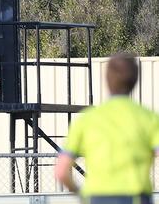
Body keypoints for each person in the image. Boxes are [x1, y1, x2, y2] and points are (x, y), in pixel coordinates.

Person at [55, 53, 159, 204]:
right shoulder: (150, 118)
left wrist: (80, 194)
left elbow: (61, 171)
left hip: (97, 197)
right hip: (136, 197)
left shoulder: (87, 119)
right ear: (135, 80)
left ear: (107, 80)